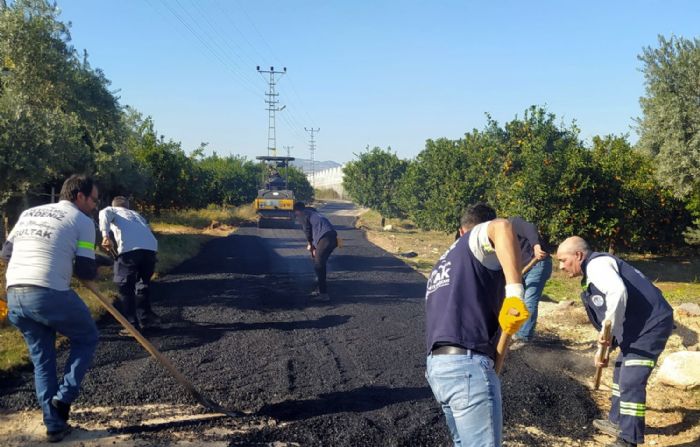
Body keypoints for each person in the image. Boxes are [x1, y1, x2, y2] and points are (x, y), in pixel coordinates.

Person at [1, 175, 100, 443]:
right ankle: (63, 398)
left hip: (15, 294)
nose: (94, 204)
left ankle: (54, 425)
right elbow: (85, 270)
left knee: (43, 360)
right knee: (88, 336)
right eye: (93, 199)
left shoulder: (28, 212)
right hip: (47, 292)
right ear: (79, 196)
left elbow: (7, 253)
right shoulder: (83, 221)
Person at [425, 204, 529, 446]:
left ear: (460, 230)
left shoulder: (442, 264)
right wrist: (515, 293)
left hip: (437, 368)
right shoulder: (475, 240)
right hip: (466, 367)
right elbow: (502, 227)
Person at [557, 237, 673, 447]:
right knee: (621, 371)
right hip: (635, 327)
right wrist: (605, 349)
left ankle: (628, 439)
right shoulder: (591, 273)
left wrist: (607, 336)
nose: (561, 266)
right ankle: (617, 422)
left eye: (563, 260)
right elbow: (612, 317)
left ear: (579, 255)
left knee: (631, 379)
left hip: (650, 325)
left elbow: (617, 293)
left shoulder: (597, 265)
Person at [460, 204, 552, 346]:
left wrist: (536, 245)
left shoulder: (511, 223)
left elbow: (530, 228)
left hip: (537, 263)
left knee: (528, 299)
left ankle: (523, 337)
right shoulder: (486, 242)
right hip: (520, 268)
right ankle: (506, 330)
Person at [98, 196, 159, 331]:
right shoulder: (136, 215)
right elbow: (148, 229)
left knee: (126, 287)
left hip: (130, 250)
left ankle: (131, 325)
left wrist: (105, 236)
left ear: (115, 205)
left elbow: (104, 213)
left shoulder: (111, 209)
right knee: (143, 284)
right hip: (150, 250)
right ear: (127, 206)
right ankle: (146, 318)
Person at [293, 202, 337, 301]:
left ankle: (323, 294)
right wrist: (314, 247)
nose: (296, 215)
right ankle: (320, 286)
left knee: (318, 265)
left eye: (295, 213)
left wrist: (310, 244)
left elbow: (307, 230)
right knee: (320, 263)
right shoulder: (314, 213)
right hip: (333, 237)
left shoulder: (303, 214)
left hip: (325, 238)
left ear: (297, 211)